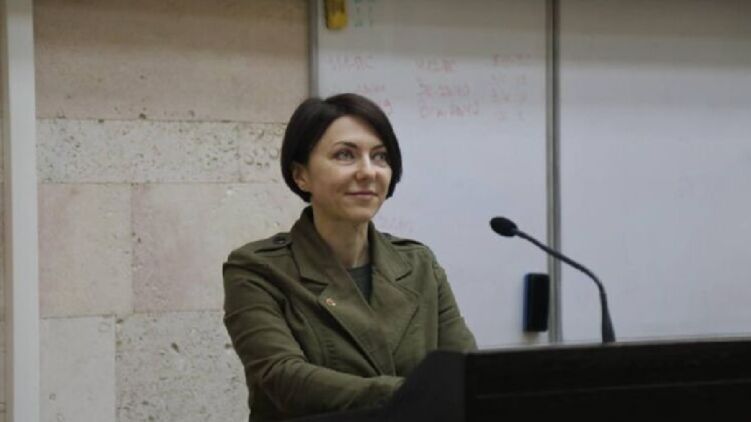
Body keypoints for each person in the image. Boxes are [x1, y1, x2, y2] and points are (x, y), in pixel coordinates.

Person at [223, 93, 477, 422]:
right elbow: (283, 378)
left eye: (380, 156)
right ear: (301, 175)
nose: (368, 171)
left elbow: (465, 370)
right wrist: (416, 394)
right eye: (345, 155)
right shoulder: (258, 268)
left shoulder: (419, 264)